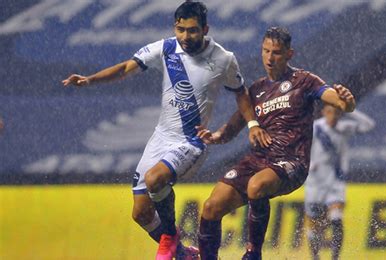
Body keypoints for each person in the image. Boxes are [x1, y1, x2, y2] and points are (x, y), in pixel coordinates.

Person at [62, 2, 267, 260]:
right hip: (160, 137)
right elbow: (126, 68)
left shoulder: (223, 58)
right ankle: (183, 255)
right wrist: (91, 79)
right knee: (141, 213)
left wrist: (252, 124)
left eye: (192, 31)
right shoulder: (166, 48)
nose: (185, 37)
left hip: (192, 141)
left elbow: (241, 94)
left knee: (155, 179)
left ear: (205, 29)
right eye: (180, 29)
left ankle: (170, 236)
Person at [195, 26, 356, 260]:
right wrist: (215, 137)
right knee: (211, 207)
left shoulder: (305, 81)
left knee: (256, 186)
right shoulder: (256, 90)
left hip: (292, 162)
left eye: (277, 53)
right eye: (265, 51)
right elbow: (231, 129)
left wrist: (347, 103)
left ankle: (253, 254)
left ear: (289, 54)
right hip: (259, 160)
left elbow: (339, 102)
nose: (270, 58)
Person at [304, 105, 375, 260]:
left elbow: (369, 125)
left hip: (335, 181)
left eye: (336, 113)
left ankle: (335, 257)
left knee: (336, 218)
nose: (333, 116)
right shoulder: (316, 128)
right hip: (315, 182)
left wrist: (351, 110)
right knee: (315, 226)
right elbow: (300, 147)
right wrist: (308, 164)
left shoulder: (344, 128)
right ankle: (315, 257)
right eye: (330, 112)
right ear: (324, 112)